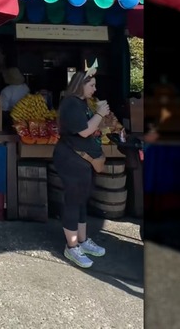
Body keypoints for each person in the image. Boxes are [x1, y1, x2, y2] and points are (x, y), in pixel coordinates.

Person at [53, 67, 110, 268]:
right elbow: (84, 132)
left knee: (82, 200)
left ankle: (83, 241)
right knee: (73, 200)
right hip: (71, 159)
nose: (94, 89)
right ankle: (72, 246)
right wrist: (100, 114)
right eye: (91, 85)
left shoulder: (82, 103)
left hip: (84, 161)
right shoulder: (70, 104)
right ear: (81, 85)